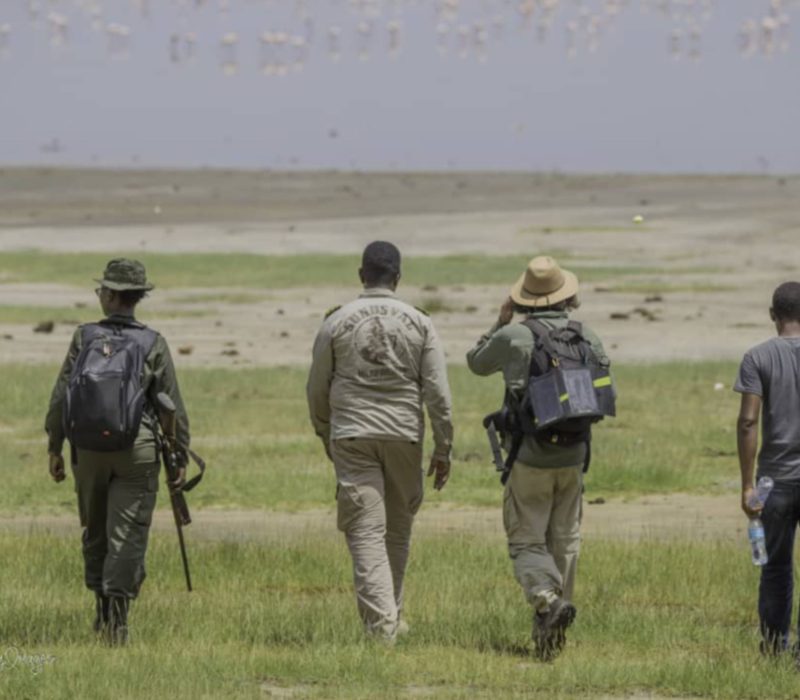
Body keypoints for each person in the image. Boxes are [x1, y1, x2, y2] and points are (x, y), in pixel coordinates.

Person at [306, 241, 453, 643]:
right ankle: (390, 619)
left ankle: (383, 626)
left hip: (352, 434)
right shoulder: (420, 322)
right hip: (404, 434)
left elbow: (317, 388)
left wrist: (326, 433)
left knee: (366, 531)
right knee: (396, 531)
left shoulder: (336, 321)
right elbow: (438, 393)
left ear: (361, 276)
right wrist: (443, 448)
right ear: (398, 278)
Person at [466, 255, 611, 660]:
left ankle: (548, 602)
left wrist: (500, 321)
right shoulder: (588, 336)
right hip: (575, 455)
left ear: (525, 297)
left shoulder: (514, 336)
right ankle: (551, 637)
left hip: (529, 456)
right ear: (566, 296)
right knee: (565, 541)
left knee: (527, 539)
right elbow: (603, 387)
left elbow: (475, 363)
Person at [45, 258, 191, 645]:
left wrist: (54, 446)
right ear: (137, 297)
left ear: (110, 295)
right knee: (127, 533)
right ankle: (118, 622)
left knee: (95, 530)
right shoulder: (152, 341)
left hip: (88, 449)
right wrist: (178, 457)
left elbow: (62, 396)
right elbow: (171, 404)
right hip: (136, 450)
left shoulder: (84, 337)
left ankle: (101, 611)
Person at [736, 281, 800, 657]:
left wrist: (748, 486)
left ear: (773, 315)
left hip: (774, 481)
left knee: (775, 566)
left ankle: (776, 648)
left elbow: (748, 422)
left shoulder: (757, 357)